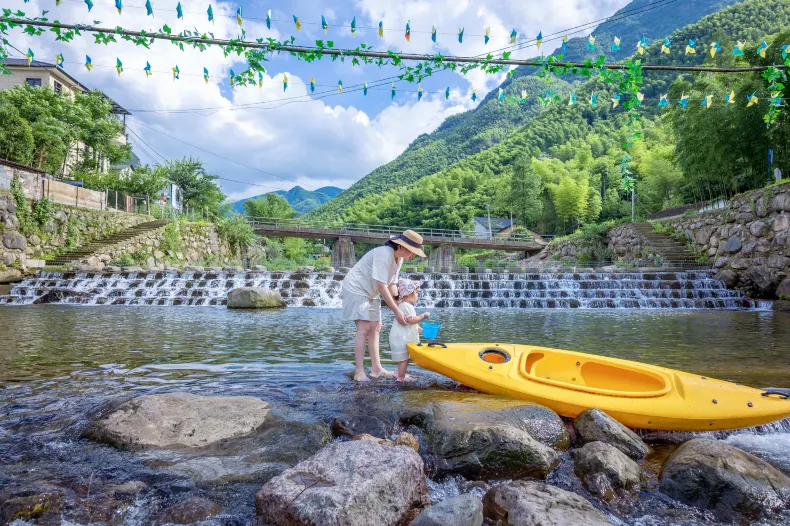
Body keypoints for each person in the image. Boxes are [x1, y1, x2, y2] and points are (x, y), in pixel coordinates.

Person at [341, 230, 426, 382]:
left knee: (376, 326)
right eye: (412, 251)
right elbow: (381, 285)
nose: (414, 255)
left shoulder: (399, 259)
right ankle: (359, 372)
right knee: (364, 328)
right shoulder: (384, 254)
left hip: (371, 291)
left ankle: (376, 368)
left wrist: (400, 307)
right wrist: (396, 311)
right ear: (401, 246)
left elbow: (392, 284)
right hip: (356, 288)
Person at [389, 279, 430, 382]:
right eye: (416, 292)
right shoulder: (405, 306)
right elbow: (411, 320)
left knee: (405, 357)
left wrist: (419, 329)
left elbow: (411, 322)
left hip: (402, 337)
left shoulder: (405, 305)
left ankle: (399, 373)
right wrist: (423, 316)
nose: (418, 294)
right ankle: (401, 377)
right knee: (404, 359)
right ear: (408, 293)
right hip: (401, 338)